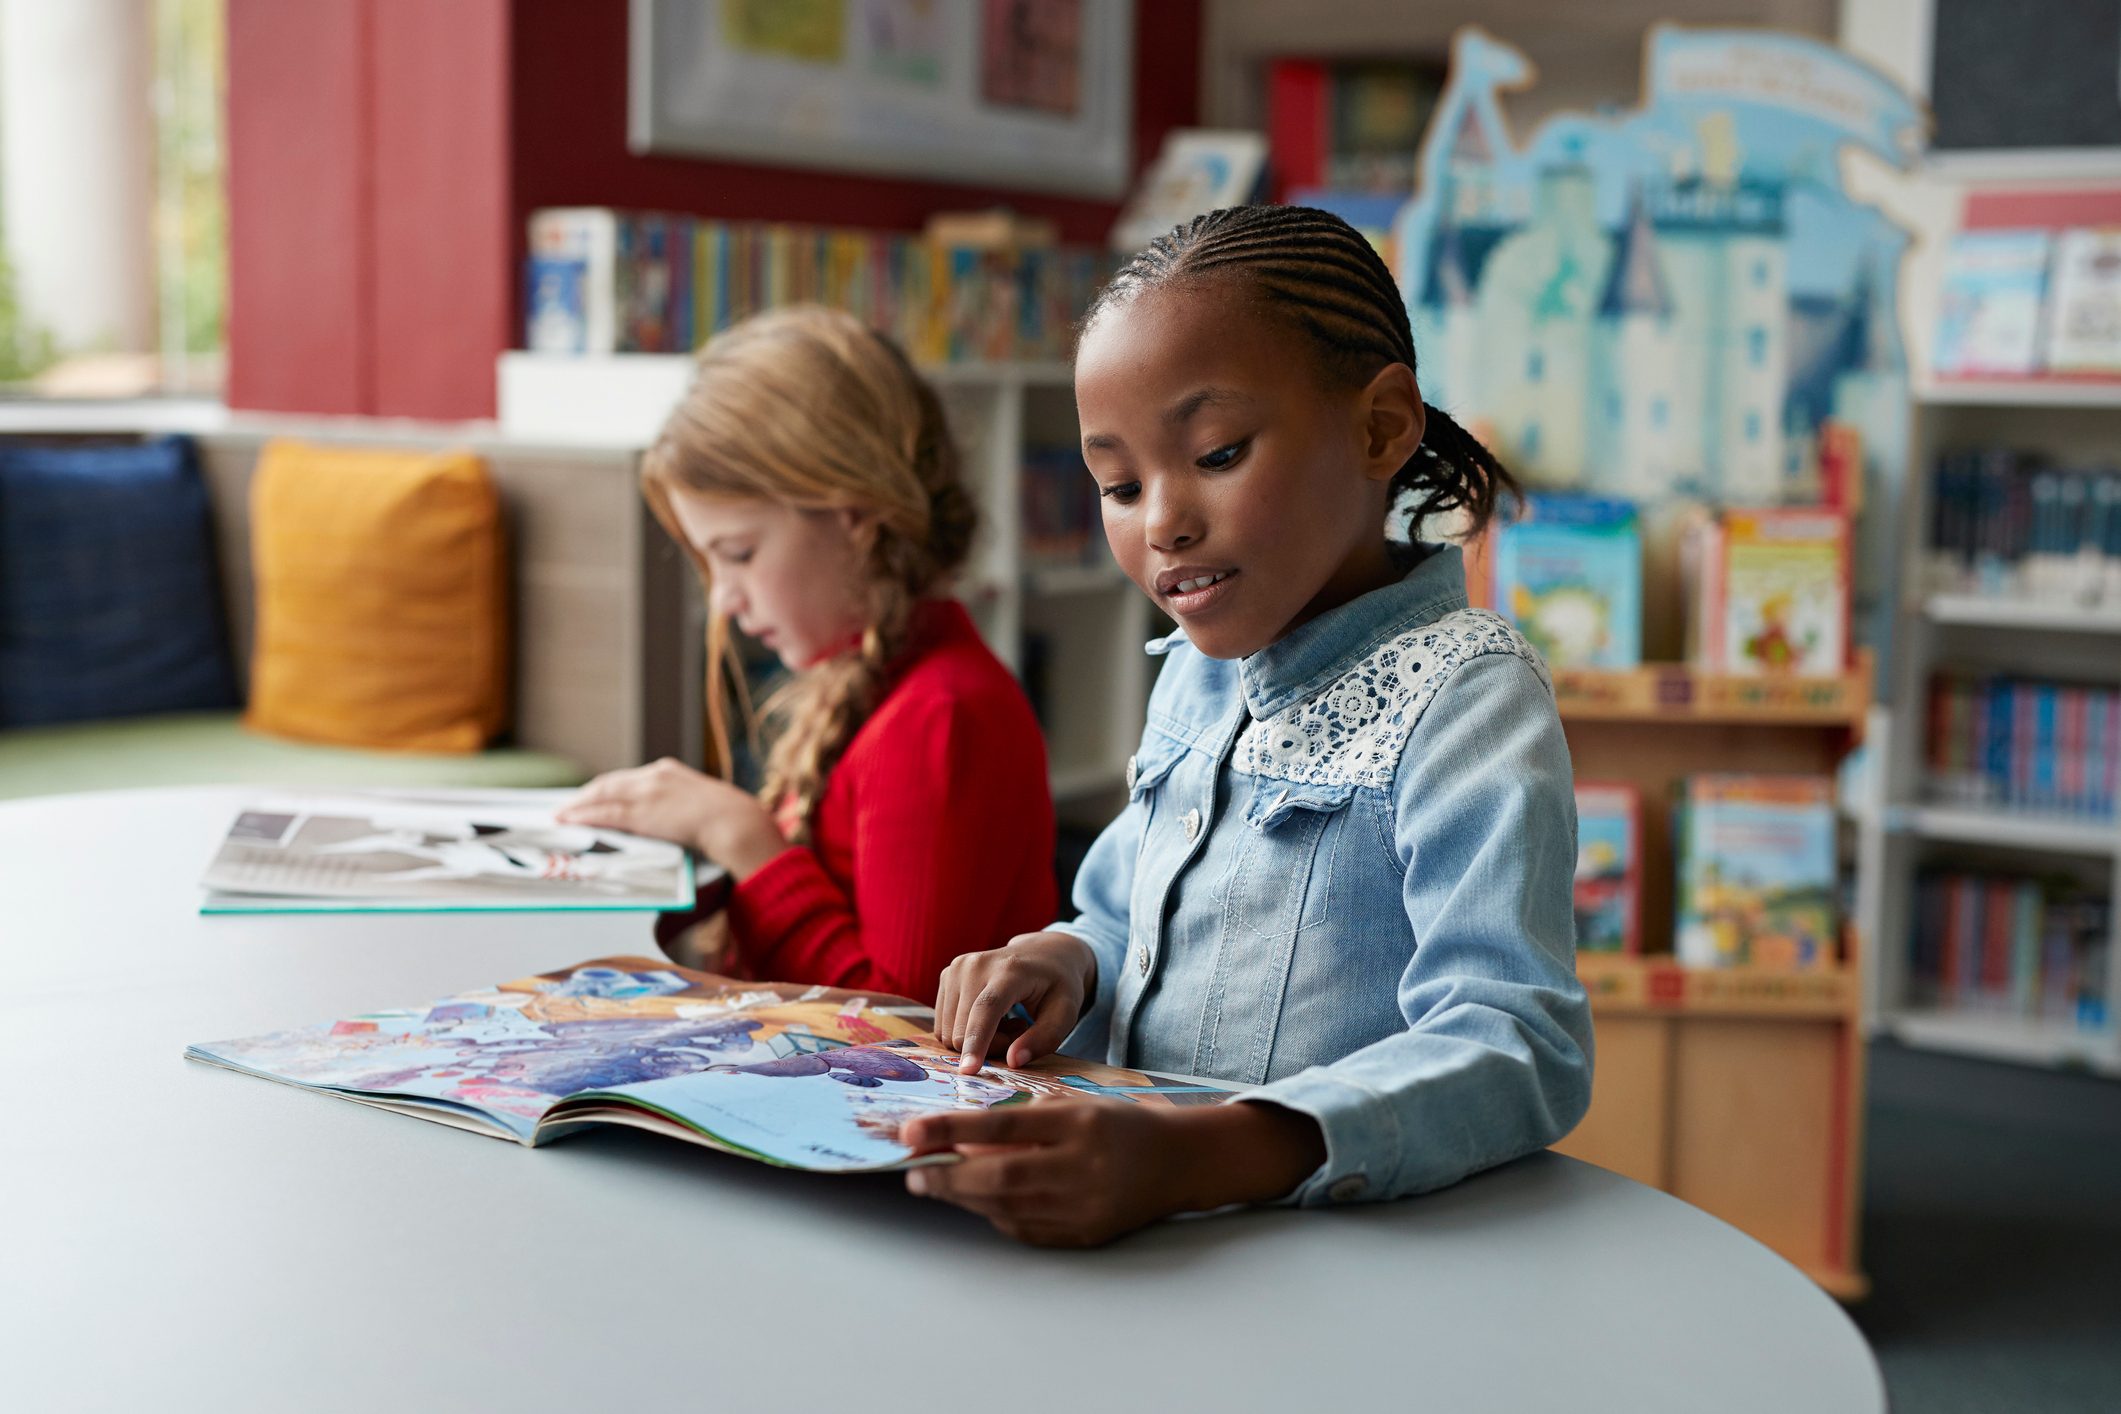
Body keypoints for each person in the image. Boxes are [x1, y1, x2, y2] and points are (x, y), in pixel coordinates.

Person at [900, 206, 1594, 1245]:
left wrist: (1204, 1154)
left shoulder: (1468, 698)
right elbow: (1123, 921)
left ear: (1379, 427)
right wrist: (1062, 958)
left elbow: (1514, 1042)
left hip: (1325, 1256)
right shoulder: (1194, 671)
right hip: (1150, 1232)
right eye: (1120, 485)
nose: (1162, 523)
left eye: (1217, 453)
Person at [558, 306, 1056, 1005]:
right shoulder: (868, 681)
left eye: (738, 554)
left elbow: (903, 1023)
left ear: (852, 514)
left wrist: (740, 836)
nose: (723, 600)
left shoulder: (937, 716)